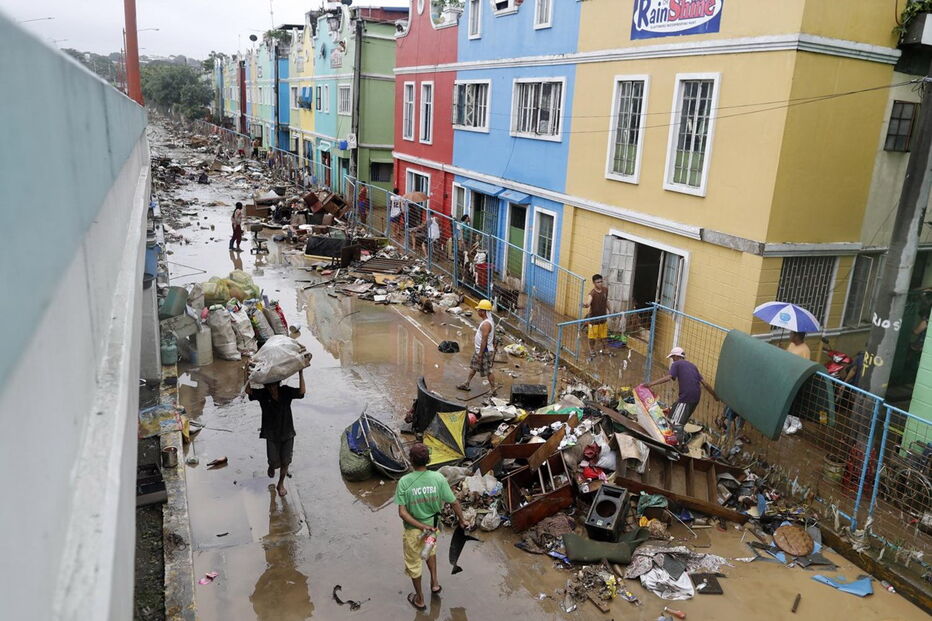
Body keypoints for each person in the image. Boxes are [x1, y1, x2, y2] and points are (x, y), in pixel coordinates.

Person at [395, 443, 468, 611]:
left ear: (411, 460)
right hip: (433, 529)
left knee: (414, 564)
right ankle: (435, 584)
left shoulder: (404, 482)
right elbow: (454, 502)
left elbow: (402, 513)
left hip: (414, 531)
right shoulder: (438, 478)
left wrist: (420, 526)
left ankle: (420, 600)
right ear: (428, 460)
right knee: (430, 552)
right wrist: (462, 520)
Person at [244, 368, 306, 497]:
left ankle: (280, 483)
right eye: (269, 386)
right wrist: (247, 374)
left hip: (287, 432)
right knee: (274, 461)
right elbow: (248, 391)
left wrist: (300, 373)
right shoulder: (263, 394)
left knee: (286, 461)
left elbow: (301, 392)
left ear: (278, 384)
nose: (272, 388)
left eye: (274, 385)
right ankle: (271, 466)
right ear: (266, 386)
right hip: (271, 434)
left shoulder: (286, 391)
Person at [646, 347, 719, 443]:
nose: (672, 359)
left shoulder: (676, 364)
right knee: (673, 414)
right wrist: (714, 395)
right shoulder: (693, 366)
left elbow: (669, 377)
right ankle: (678, 438)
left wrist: (651, 384)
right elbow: (704, 383)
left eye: (672, 357)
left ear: (676, 356)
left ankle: (677, 445)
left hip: (686, 397)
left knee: (676, 424)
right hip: (696, 398)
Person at [457, 299, 498, 394]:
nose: (478, 311)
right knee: (474, 367)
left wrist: (480, 354)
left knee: (488, 371)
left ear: (483, 311)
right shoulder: (489, 321)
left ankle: (493, 389)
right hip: (481, 350)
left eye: (479, 310)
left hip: (484, 351)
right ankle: (467, 383)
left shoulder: (486, 324)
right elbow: (493, 336)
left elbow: (484, 340)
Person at [582, 273, 609, 358]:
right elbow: (589, 303)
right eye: (598, 282)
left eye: (601, 281)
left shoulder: (605, 290)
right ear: (594, 283)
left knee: (604, 336)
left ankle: (605, 349)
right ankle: (592, 350)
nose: (600, 283)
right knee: (592, 337)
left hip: (603, 318)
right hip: (593, 319)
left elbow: (606, 301)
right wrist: (586, 305)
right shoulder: (592, 294)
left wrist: (611, 310)